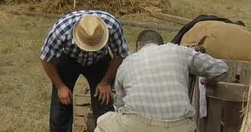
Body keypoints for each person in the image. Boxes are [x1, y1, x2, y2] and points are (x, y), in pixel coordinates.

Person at [95, 30, 229, 132]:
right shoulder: (178, 51)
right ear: (162, 44)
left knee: (103, 122)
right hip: (181, 126)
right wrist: (209, 79)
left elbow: (119, 105)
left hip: (139, 124)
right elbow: (221, 69)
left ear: (138, 45)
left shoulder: (127, 62)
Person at [40, 10, 129, 132]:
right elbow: (46, 59)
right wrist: (60, 86)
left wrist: (105, 82)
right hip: (69, 58)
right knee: (61, 105)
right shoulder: (61, 30)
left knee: (104, 99)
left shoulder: (112, 26)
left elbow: (120, 54)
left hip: (99, 60)